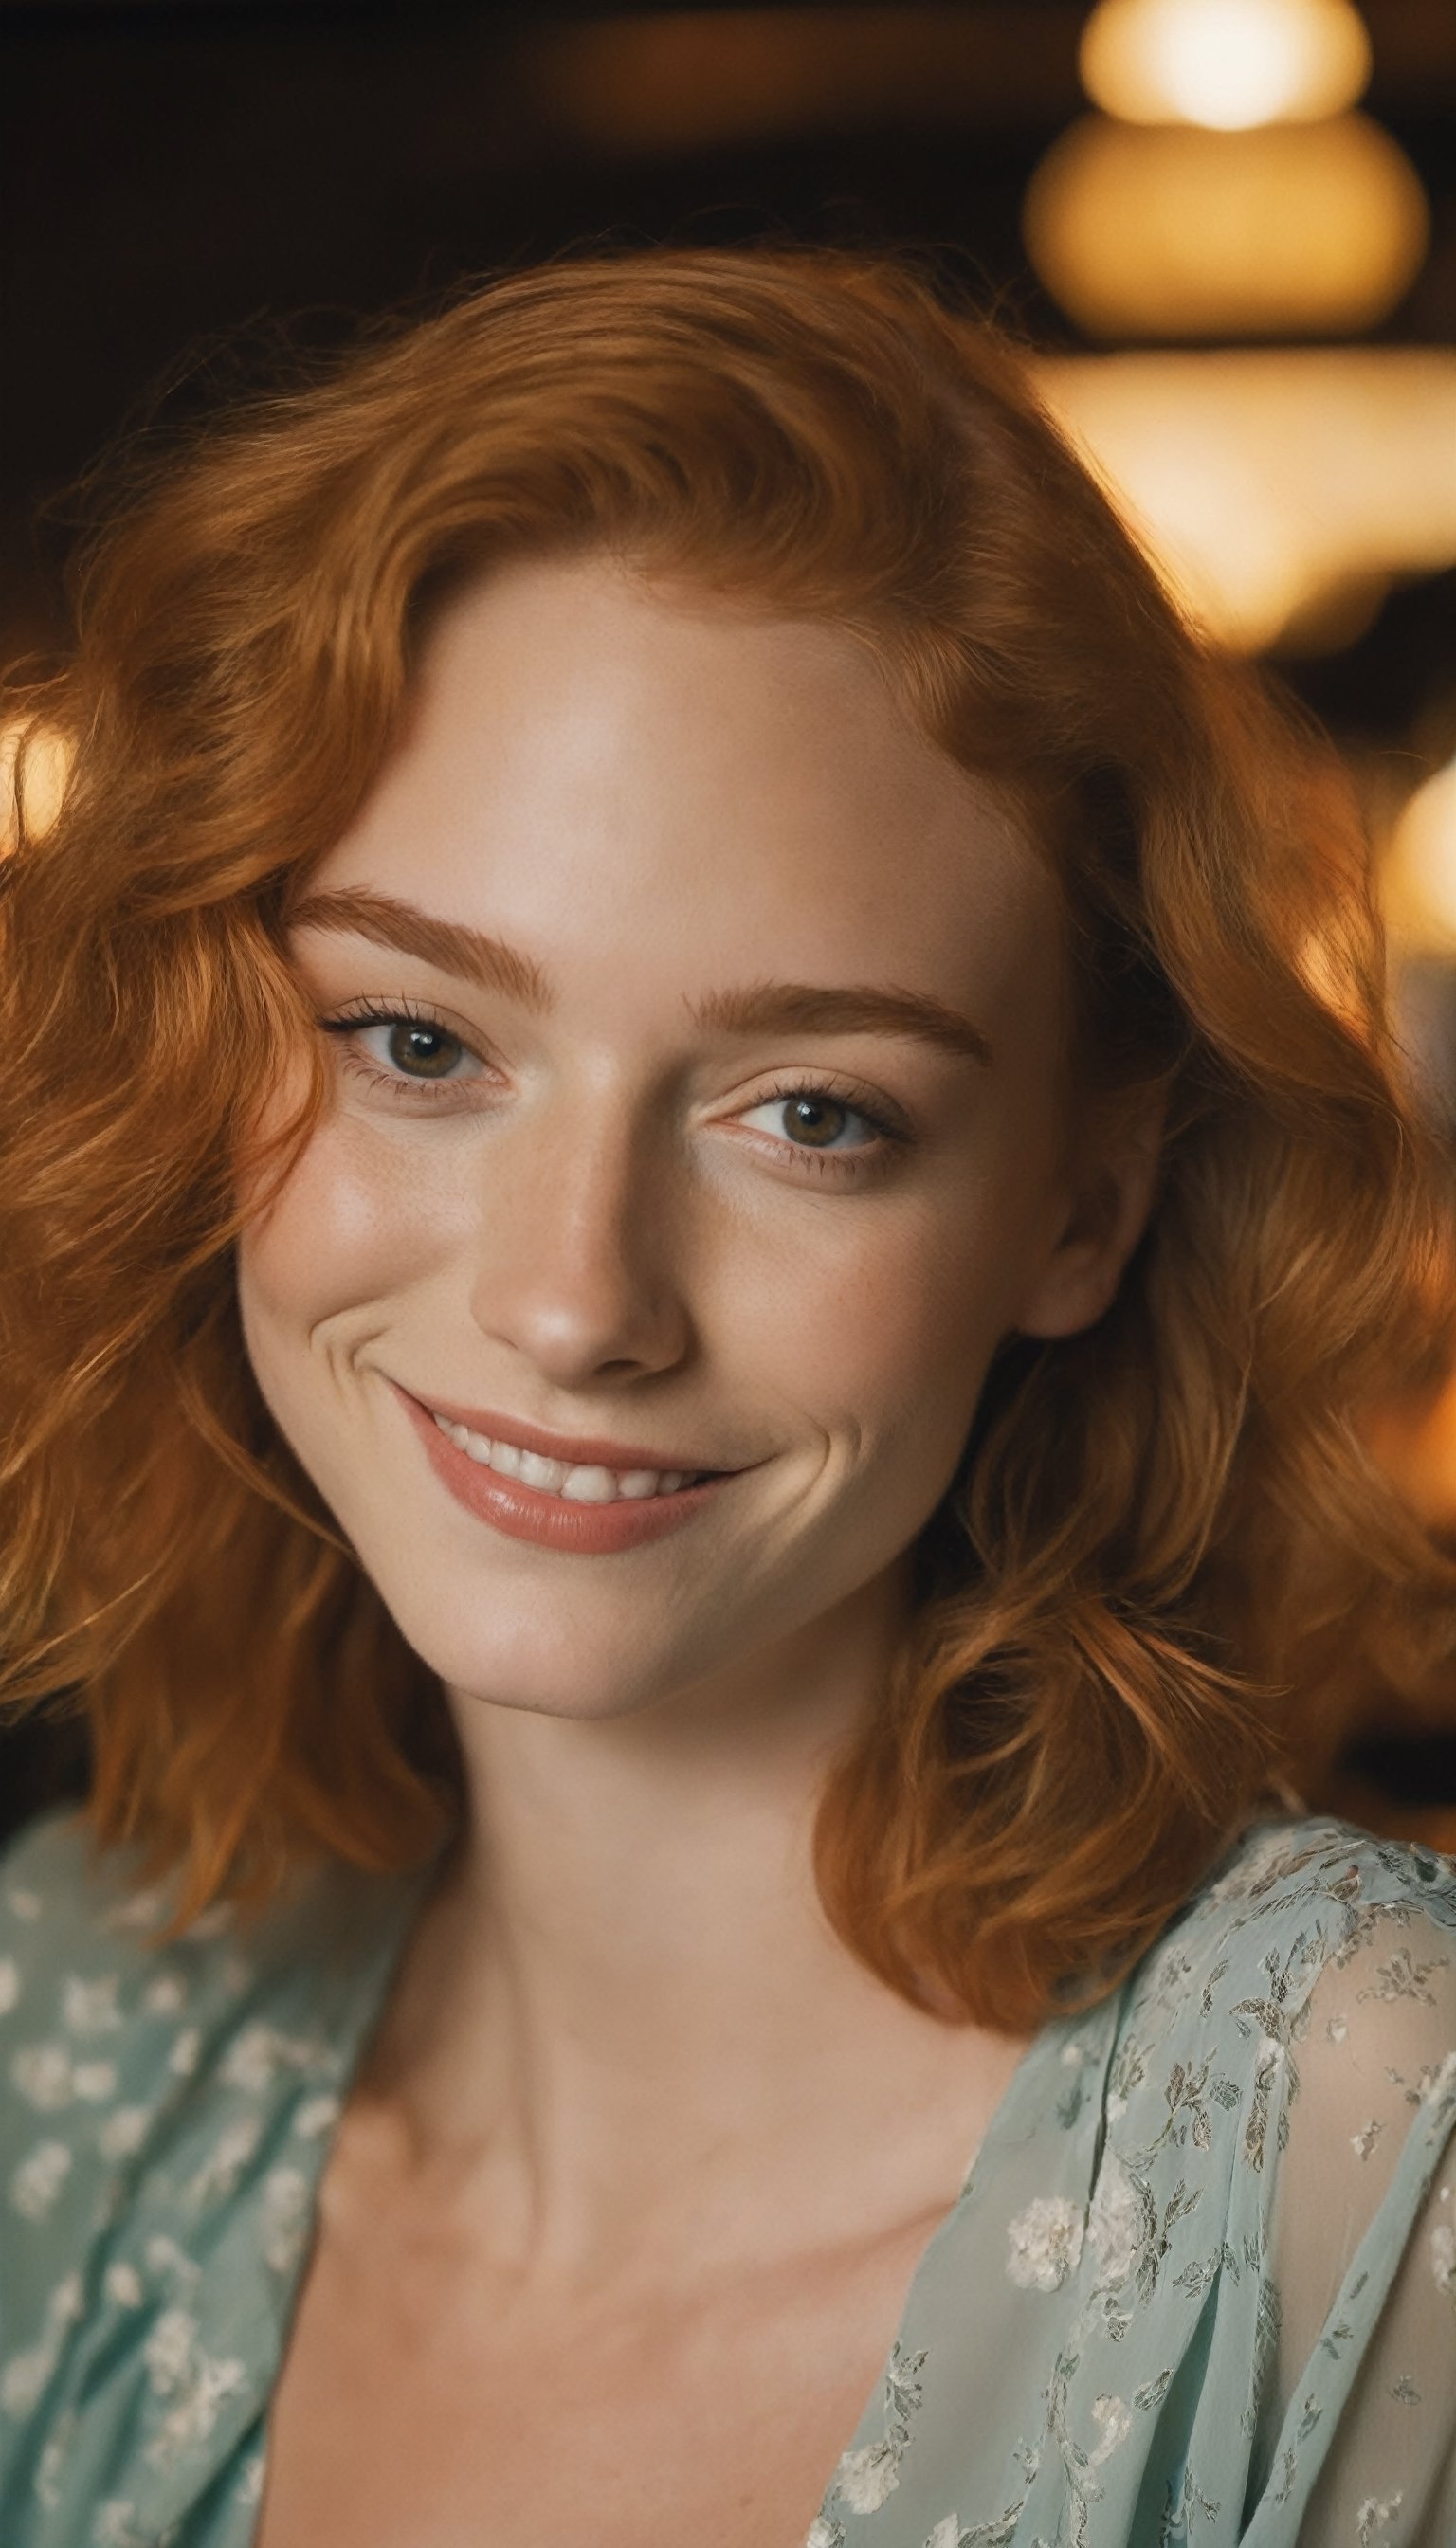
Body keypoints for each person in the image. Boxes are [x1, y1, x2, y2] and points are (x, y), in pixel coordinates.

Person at [2, 244, 1455, 2548]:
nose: (577, 1301)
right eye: (420, 1045)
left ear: (1083, 1209)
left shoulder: (1370, 2141)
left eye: (810, 1113)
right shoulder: (58, 2035)